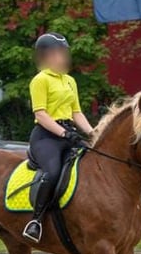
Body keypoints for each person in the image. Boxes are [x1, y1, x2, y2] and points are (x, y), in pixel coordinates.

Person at [23, 32, 95, 243]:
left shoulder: (70, 81)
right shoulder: (40, 80)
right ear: (44, 56)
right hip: (46, 137)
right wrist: (63, 133)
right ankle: (35, 221)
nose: (61, 58)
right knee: (53, 172)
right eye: (55, 54)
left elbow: (76, 113)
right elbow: (41, 114)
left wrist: (92, 133)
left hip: (69, 133)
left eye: (63, 53)